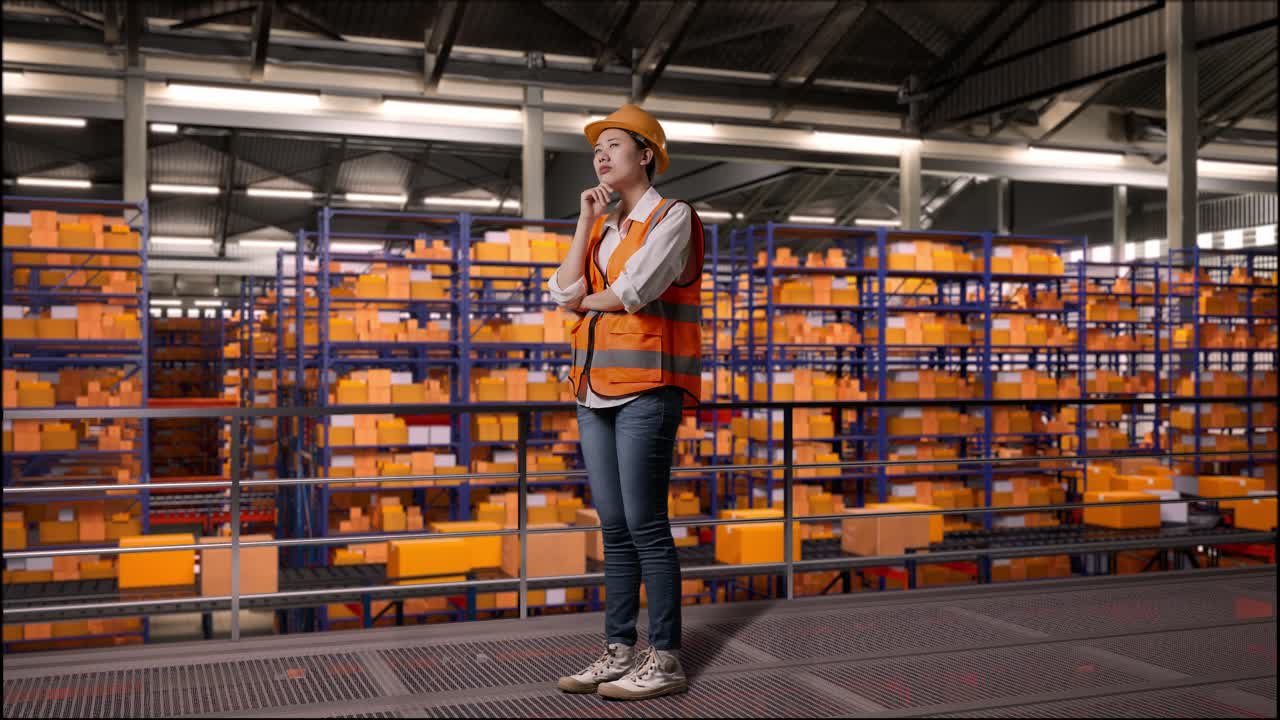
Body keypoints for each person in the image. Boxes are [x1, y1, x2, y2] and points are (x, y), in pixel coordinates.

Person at [546, 104, 704, 701]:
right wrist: (586, 222)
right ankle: (618, 650)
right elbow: (564, 286)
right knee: (613, 527)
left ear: (646, 155)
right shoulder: (607, 228)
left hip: (646, 391)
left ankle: (664, 658)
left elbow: (633, 291)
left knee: (646, 525)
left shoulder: (673, 216)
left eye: (614, 144)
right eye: (596, 148)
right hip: (592, 391)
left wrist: (582, 302)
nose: (601, 155)